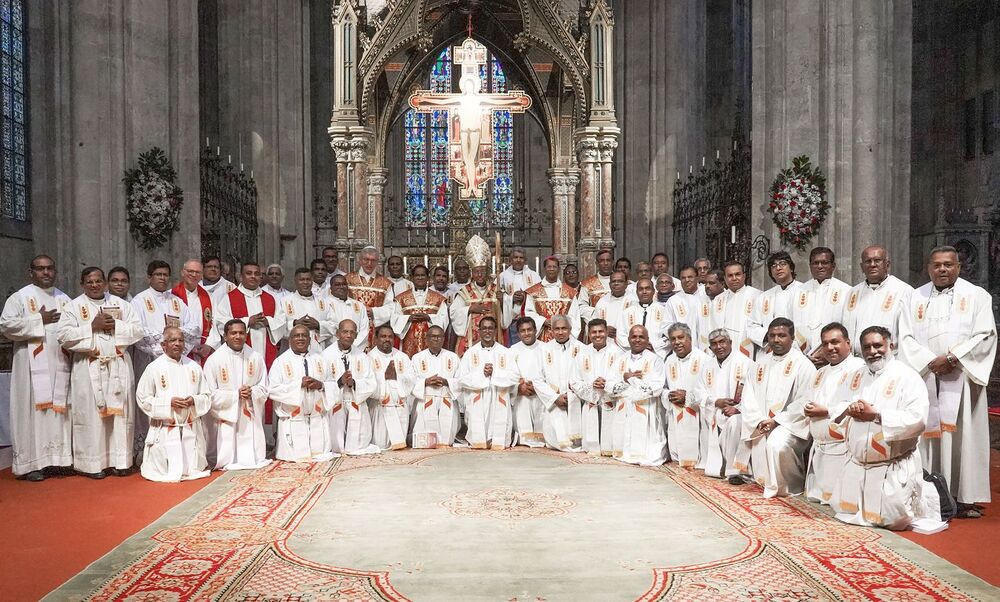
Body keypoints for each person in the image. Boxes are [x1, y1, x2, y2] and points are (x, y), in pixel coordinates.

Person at [899, 245, 997, 517]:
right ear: (929, 267)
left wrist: (953, 359)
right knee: (929, 437)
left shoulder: (977, 296)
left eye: (948, 265)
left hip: (962, 379)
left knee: (962, 436)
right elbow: (904, 336)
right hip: (927, 375)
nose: (942, 269)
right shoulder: (913, 297)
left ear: (958, 267)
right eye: (936, 265)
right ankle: (928, 493)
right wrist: (930, 361)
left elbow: (985, 334)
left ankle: (964, 497)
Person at [831, 326, 944, 532]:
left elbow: (918, 419)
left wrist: (876, 415)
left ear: (890, 346)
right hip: (858, 464)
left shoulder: (908, 377)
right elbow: (837, 404)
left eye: (878, 346)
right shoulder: (855, 375)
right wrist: (850, 409)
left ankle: (929, 491)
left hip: (892, 466)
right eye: (867, 347)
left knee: (894, 521)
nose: (873, 351)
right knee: (844, 512)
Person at [57, 267, 143, 478]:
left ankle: (119, 461)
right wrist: (91, 326)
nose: (94, 285)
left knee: (120, 416)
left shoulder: (121, 305)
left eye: (98, 281)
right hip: (89, 366)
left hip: (118, 365)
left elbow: (138, 331)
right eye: (90, 282)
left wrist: (117, 325)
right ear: (82, 284)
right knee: (92, 416)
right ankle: (92, 464)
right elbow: (64, 336)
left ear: (104, 283)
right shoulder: (73, 306)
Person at [0, 255, 73, 480]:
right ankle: (31, 463)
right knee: (31, 411)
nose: (46, 273)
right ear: (30, 272)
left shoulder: (64, 299)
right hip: (30, 368)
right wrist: (37, 319)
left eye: (50, 268)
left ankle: (58, 460)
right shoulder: (20, 297)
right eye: (40, 269)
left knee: (59, 410)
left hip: (60, 363)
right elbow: (6, 326)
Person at [741, 318, 817, 497]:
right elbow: (748, 395)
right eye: (772, 335)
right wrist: (759, 419)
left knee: (777, 443)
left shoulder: (803, 365)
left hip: (792, 425)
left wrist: (776, 421)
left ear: (792, 338)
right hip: (760, 422)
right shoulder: (759, 363)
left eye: (782, 335)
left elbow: (805, 401)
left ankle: (789, 485)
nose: (776, 340)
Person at [134, 326, 212, 482]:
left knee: (192, 468)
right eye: (172, 340)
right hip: (165, 427)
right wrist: (168, 403)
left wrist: (194, 401)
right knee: (165, 469)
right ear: (163, 345)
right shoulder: (154, 368)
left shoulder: (194, 367)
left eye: (181, 340)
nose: (177, 344)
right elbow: (143, 398)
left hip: (189, 425)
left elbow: (207, 396)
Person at [802, 322, 865, 504]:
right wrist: (806, 408)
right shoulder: (821, 372)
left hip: (843, 446)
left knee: (841, 501)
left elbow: (859, 402)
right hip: (821, 445)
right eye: (825, 343)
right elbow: (807, 397)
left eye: (835, 342)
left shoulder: (859, 368)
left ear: (848, 343)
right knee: (820, 497)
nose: (830, 348)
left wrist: (828, 411)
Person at [203, 319, 270, 470]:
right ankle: (227, 459)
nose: (238, 336)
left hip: (249, 413)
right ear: (225, 336)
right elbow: (208, 393)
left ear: (246, 335)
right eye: (233, 333)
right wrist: (235, 395)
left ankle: (252, 456)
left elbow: (264, 387)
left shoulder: (256, 357)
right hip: (226, 416)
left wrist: (252, 392)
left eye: (241, 333)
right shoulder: (214, 360)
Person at [268, 325, 335, 462]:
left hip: (317, 418)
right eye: (296, 336)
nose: (300, 338)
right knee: (295, 460)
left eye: (304, 335)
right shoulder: (280, 362)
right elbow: (272, 390)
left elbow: (333, 384)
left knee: (320, 456)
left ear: (310, 340)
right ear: (290, 340)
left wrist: (321, 385)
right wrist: (298, 385)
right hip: (293, 419)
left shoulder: (320, 359)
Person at [608, 325, 668, 465]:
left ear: (647, 340)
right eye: (634, 336)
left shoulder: (656, 360)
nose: (637, 340)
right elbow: (609, 385)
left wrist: (631, 379)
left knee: (647, 452)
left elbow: (657, 387)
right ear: (628, 339)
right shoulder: (620, 360)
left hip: (647, 408)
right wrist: (626, 381)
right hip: (625, 408)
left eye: (641, 337)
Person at [700, 328, 756, 482]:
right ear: (710, 347)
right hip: (714, 412)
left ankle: (736, 471)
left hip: (739, 414)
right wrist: (715, 402)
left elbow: (755, 394)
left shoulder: (746, 363)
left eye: (722, 342)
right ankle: (722, 465)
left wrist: (738, 409)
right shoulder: (707, 366)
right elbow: (699, 392)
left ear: (730, 343)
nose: (719, 347)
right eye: (714, 344)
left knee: (734, 423)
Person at [457, 316, 518, 449]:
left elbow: (515, 376)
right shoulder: (470, 353)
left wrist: (495, 374)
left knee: (500, 425)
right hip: (478, 397)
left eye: (491, 328)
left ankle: (496, 441)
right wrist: (482, 374)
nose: (487, 331)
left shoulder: (505, 352)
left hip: (499, 396)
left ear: (496, 330)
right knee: (478, 426)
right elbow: (461, 378)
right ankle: (480, 441)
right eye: (484, 328)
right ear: (479, 331)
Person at [132, 260, 200, 378]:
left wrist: (173, 345)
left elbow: (194, 329)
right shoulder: (139, 301)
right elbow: (137, 332)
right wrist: (163, 348)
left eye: (166, 275)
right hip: (149, 360)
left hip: (176, 359)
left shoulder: (177, 302)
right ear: (149, 277)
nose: (163, 278)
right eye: (158, 274)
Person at [321, 319, 379, 455]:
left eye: (352, 333)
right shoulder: (325, 356)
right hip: (336, 401)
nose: (348, 335)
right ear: (337, 333)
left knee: (358, 444)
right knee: (335, 442)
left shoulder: (362, 356)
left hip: (355, 400)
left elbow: (371, 383)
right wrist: (339, 383)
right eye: (345, 332)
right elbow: (321, 384)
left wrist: (355, 384)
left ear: (356, 335)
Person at [842, 245, 913, 353]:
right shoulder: (852, 293)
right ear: (862, 267)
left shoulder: (904, 291)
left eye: (877, 260)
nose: (872, 265)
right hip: (856, 362)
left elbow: (908, 335)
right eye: (868, 261)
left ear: (887, 264)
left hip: (889, 360)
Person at [570, 319, 625, 455]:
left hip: (610, 401)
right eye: (594, 332)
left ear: (607, 332)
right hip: (591, 402)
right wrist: (591, 386)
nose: (597, 335)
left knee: (610, 442)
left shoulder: (618, 353)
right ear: (589, 334)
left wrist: (608, 385)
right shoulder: (582, 353)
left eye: (601, 331)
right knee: (591, 442)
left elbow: (624, 380)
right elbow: (574, 381)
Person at [534, 315, 586, 451]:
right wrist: (555, 397)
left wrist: (574, 395)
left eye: (564, 328)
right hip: (554, 401)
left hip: (576, 400)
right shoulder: (544, 349)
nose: (560, 332)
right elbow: (537, 379)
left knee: (578, 438)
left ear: (570, 329)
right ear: (551, 330)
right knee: (555, 439)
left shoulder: (582, 348)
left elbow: (586, 375)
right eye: (557, 329)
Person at [793, 248, 851, 365]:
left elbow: (849, 326)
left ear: (833, 266)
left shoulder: (847, 291)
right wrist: (801, 356)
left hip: (835, 357)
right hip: (802, 359)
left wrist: (828, 353)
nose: (820, 266)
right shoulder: (797, 292)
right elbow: (791, 326)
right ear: (810, 266)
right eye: (815, 263)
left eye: (824, 263)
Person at [451, 235, 507, 355]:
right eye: (477, 271)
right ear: (472, 273)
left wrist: (503, 302)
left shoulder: (496, 290)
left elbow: (506, 316)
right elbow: (454, 312)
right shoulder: (464, 292)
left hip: (493, 336)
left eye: (482, 271)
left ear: (487, 271)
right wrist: (470, 309)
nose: (480, 274)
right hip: (470, 338)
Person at [662, 323, 707, 468]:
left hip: (696, 414)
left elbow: (709, 391)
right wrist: (669, 395)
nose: (677, 342)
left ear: (690, 338)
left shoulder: (704, 359)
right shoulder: (669, 360)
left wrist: (687, 396)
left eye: (681, 338)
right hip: (675, 413)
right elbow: (662, 388)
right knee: (677, 456)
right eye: (673, 339)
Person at [410, 325, 461, 447]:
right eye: (433, 336)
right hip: (425, 398)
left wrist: (446, 382)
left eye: (439, 336)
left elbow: (460, 380)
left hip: (446, 397)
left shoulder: (453, 357)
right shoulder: (417, 358)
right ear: (426, 339)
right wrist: (426, 382)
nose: (436, 339)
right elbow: (410, 382)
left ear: (444, 339)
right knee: (425, 440)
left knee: (446, 438)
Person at [368, 324, 417, 450]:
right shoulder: (369, 358)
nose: (387, 339)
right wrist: (384, 377)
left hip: (399, 406)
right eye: (383, 336)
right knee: (380, 445)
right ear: (376, 339)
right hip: (380, 408)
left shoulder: (402, 357)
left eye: (390, 337)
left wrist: (397, 376)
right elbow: (367, 383)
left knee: (399, 446)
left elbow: (412, 379)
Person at [747, 251, 803, 354]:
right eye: (773, 266)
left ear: (791, 268)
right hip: (770, 350)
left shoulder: (804, 292)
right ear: (771, 272)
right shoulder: (764, 297)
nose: (778, 268)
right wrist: (771, 338)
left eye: (782, 263)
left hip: (797, 350)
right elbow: (751, 325)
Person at [391, 264, 450, 357]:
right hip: (409, 340)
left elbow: (444, 319)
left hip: (430, 341)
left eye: (423, 275)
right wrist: (408, 318)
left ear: (428, 278)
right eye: (417, 275)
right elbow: (394, 319)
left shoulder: (439, 299)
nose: (420, 278)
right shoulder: (401, 298)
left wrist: (429, 317)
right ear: (412, 278)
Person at [506, 317, 547, 448]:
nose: (526, 333)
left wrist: (538, 387)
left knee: (543, 435)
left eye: (529, 330)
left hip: (541, 395)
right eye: (522, 331)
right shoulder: (512, 350)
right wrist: (519, 387)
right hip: (521, 395)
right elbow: (509, 375)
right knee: (525, 437)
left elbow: (551, 373)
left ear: (536, 330)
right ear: (518, 334)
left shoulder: (546, 349)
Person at [170, 259, 219, 364]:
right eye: (190, 271)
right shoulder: (171, 296)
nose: (194, 274)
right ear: (182, 272)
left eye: (198, 272)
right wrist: (188, 346)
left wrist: (209, 345)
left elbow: (216, 323)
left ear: (202, 275)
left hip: (203, 349)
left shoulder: (209, 297)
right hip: (180, 348)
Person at [523, 256, 582, 342]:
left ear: (558, 269)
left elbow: (574, 315)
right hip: (542, 337)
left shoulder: (570, 292)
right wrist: (543, 321)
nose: (551, 269)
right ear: (544, 269)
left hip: (563, 335)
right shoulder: (533, 291)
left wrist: (562, 324)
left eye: (554, 267)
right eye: (549, 267)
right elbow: (529, 313)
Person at [347, 246, 395, 346]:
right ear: (359, 260)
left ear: (377, 262)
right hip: (352, 325)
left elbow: (391, 307)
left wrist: (373, 311)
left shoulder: (385, 283)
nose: (369, 263)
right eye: (366, 259)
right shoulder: (347, 280)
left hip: (374, 327)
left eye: (373, 260)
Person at [615, 278, 675, 356]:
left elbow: (669, 336)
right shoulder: (627, 312)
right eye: (641, 289)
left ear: (653, 291)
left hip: (656, 354)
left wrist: (653, 345)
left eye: (647, 289)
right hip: (632, 355)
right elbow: (620, 336)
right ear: (636, 292)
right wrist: (637, 346)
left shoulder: (664, 311)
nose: (644, 292)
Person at [283, 267, 335, 354]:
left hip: (317, 350)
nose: (305, 283)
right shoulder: (285, 301)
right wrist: (295, 323)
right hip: (292, 352)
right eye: (302, 280)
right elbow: (278, 327)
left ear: (312, 281)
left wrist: (318, 325)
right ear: (295, 281)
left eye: (308, 279)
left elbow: (334, 325)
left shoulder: (323, 301)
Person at [715, 261, 761, 357]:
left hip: (747, 345)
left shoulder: (757, 295)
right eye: (730, 275)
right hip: (723, 348)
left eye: (737, 274)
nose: (734, 278)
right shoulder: (719, 299)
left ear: (744, 276)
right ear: (725, 278)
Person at [497, 247, 540, 342]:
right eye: (515, 257)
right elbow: (497, 297)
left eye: (521, 258)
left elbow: (540, 297)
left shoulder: (534, 276)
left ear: (525, 260)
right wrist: (511, 298)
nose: (518, 260)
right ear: (510, 260)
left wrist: (525, 298)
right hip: (512, 321)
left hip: (530, 320)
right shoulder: (503, 276)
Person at [328, 273, 370, 353]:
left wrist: (352, 347)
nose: (341, 287)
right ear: (331, 288)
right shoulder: (325, 304)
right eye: (337, 284)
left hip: (355, 351)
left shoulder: (359, 305)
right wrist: (339, 347)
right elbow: (327, 330)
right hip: (332, 350)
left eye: (344, 284)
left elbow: (364, 330)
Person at [592, 271, 636, 342]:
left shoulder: (634, 300)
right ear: (609, 284)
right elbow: (594, 324)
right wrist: (604, 329)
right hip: (608, 343)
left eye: (620, 281)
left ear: (626, 284)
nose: (616, 283)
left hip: (628, 343)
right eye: (613, 281)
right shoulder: (602, 302)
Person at [578, 249, 615, 324]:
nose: (605, 263)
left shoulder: (622, 282)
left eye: (608, 260)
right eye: (602, 261)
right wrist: (598, 314)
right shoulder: (587, 283)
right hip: (595, 326)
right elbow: (581, 306)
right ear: (596, 263)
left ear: (613, 262)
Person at [697, 268, 727, 349]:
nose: (707, 286)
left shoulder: (729, 300)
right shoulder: (699, 300)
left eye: (711, 283)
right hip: (703, 347)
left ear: (722, 284)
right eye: (705, 283)